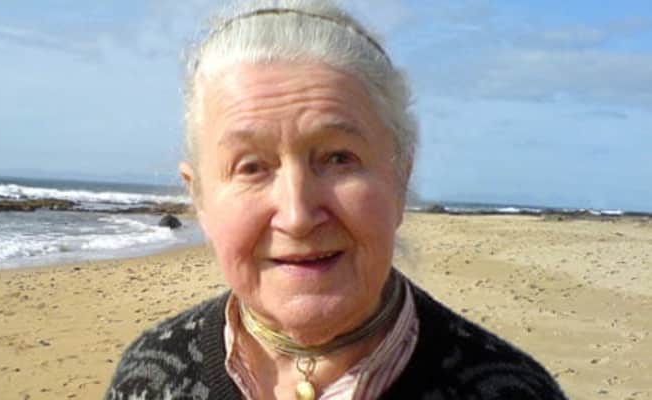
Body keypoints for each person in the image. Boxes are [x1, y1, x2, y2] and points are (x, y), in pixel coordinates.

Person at [105, 1, 567, 399]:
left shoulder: (512, 391)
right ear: (200, 198)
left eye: (339, 158)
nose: (298, 215)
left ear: (399, 178)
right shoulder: (148, 379)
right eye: (252, 167)